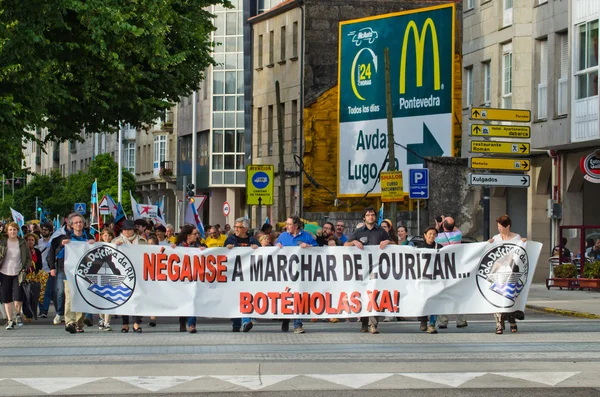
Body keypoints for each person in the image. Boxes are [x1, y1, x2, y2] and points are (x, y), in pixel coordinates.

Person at [344, 207, 392, 334]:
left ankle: (373, 324)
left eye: (372, 215)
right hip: (361, 270)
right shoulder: (359, 231)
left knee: (374, 295)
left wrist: (387, 241)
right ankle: (364, 322)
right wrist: (354, 241)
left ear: (375, 217)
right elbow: (345, 245)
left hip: (376, 269)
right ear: (364, 218)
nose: (371, 217)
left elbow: (393, 243)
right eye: (368, 215)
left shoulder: (381, 231)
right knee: (363, 296)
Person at [48, 213, 95, 334]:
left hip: (84, 273)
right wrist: (63, 246)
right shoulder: (64, 237)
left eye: (80, 222)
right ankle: (70, 322)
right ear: (71, 225)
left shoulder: (88, 236)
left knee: (81, 297)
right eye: (76, 223)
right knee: (69, 297)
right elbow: (57, 254)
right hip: (68, 272)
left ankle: (79, 323)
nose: (78, 224)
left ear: (84, 224)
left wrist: (93, 243)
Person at [276, 215, 318, 334]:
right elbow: (274, 250)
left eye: (289, 224)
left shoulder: (306, 236)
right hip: (284, 273)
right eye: (287, 224)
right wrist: (277, 247)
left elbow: (318, 250)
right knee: (286, 297)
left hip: (301, 273)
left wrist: (309, 247)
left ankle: (297, 324)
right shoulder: (283, 236)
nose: (287, 226)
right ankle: (285, 319)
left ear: (296, 226)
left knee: (298, 297)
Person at [488, 214, 527, 334]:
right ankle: (499, 324)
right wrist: (488, 244)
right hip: (499, 273)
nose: (499, 228)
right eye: (498, 226)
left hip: (512, 272)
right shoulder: (496, 238)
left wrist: (524, 242)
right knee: (498, 296)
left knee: (509, 296)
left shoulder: (516, 238)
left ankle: (512, 320)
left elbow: (520, 253)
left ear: (508, 226)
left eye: (501, 226)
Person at [225, 218, 260, 332]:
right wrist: (227, 249)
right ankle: (236, 324)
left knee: (245, 298)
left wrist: (257, 249)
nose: (236, 229)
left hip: (248, 276)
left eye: (239, 227)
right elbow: (222, 254)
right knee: (235, 299)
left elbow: (264, 254)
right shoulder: (230, 239)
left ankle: (245, 321)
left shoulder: (253, 241)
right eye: (235, 227)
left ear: (245, 228)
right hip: (233, 276)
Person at [112, 220, 146, 333]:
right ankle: (125, 323)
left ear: (133, 230)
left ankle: (136, 323)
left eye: (129, 229)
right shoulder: (116, 240)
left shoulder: (141, 241)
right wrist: (115, 246)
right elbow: (110, 254)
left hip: (138, 273)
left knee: (138, 298)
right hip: (123, 274)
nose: (127, 232)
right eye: (125, 229)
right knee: (124, 297)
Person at [434, 216, 468, 329]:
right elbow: (455, 229)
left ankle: (443, 321)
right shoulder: (457, 235)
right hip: (456, 268)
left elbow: (433, 237)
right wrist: (446, 222)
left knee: (442, 294)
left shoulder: (438, 237)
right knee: (458, 294)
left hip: (443, 269)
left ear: (443, 225)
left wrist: (438, 226)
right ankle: (461, 320)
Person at [0, 222, 33, 330]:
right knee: (6, 297)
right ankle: (10, 320)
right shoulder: (2, 243)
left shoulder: (22, 243)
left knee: (18, 296)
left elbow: (29, 258)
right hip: (4, 273)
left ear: (17, 231)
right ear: (7, 231)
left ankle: (17, 314)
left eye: (14, 229)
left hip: (18, 273)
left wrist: (26, 267)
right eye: (10, 230)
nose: (12, 232)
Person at [175, 224, 206, 333]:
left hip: (194, 278)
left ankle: (192, 324)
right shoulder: (178, 246)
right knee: (184, 300)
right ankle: (182, 321)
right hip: (182, 277)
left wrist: (203, 250)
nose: (197, 235)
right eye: (195, 234)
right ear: (188, 235)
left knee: (193, 299)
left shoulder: (198, 245)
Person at [413, 226, 442, 334]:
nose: (431, 236)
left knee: (434, 301)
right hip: (422, 279)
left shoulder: (440, 247)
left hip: (435, 279)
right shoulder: (419, 247)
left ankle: (432, 324)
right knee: (423, 300)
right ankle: (423, 320)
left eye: (434, 234)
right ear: (425, 235)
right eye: (429, 234)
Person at [22, 233, 45, 322]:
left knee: (33, 295)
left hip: (34, 276)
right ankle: (27, 314)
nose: (30, 242)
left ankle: (33, 312)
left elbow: (40, 264)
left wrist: (35, 270)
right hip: (25, 276)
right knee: (25, 295)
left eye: (32, 240)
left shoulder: (37, 251)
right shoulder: (23, 250)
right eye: (29, 240)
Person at [96, 227, 115, 331]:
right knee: (100, 298)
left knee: (109, 298)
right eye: (105, 235)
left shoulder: (115, 245)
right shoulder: (97, 246)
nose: (107, 237)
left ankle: (107, 321)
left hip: (110, 274)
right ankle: (101, 318)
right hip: (100, 274)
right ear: (102, 236)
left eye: (109, 235)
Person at [36, 223, 54, 318]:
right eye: (43, 229)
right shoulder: (38, 242)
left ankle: (44, 310)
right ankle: (41, 309)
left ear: (50, 231)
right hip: (40, 269)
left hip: (49, 269)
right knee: (40, 291)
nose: (44, 231)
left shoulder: (53, 242)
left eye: (46, 230)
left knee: (47, 291)